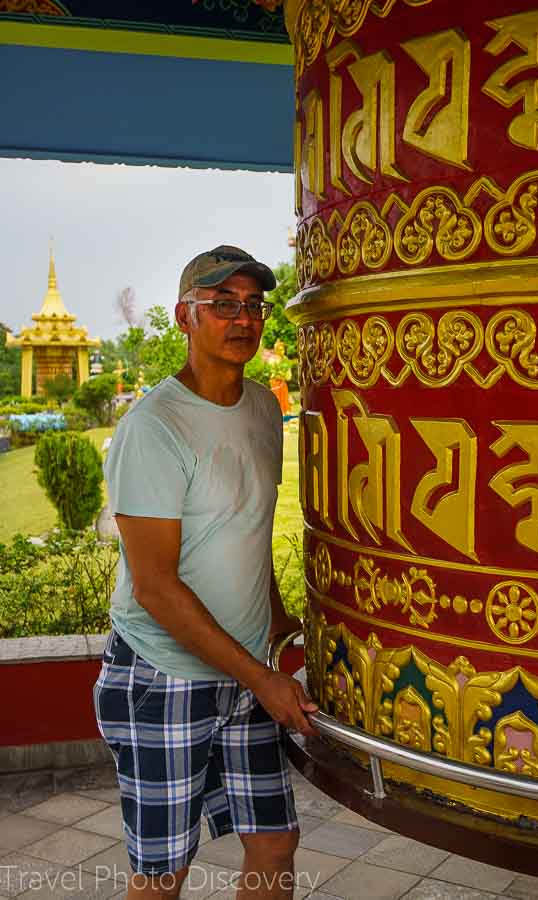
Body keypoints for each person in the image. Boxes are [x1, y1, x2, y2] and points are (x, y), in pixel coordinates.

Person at [94, 245, 318, 900]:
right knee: (165, 871)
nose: (242, 317)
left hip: (245, 669)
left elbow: (244, 532)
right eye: (222, 304)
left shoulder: (261, 407)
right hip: (165, 674)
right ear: (184, 318)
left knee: (275, 839)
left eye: (252, 304)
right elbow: (156, 587)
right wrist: (264, 679)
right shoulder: (154, 428)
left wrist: (279, 625)